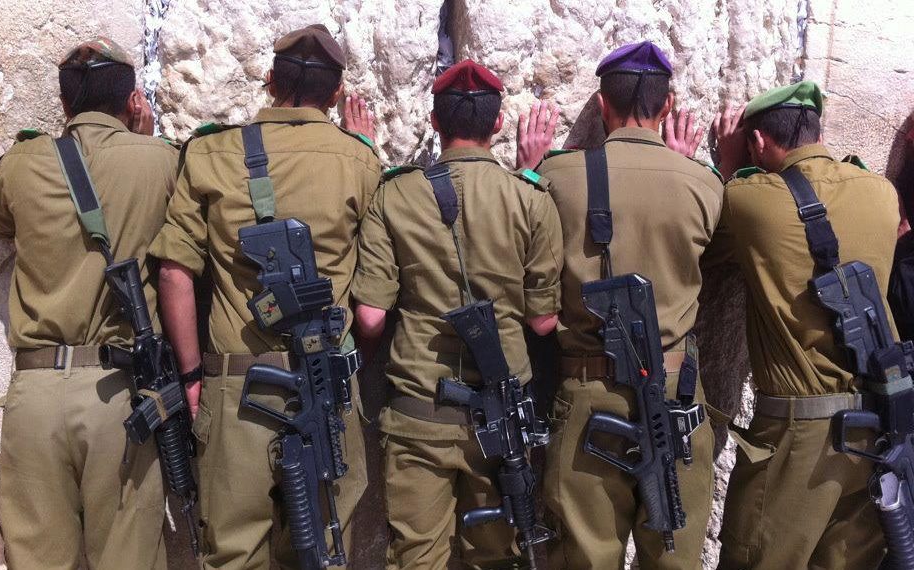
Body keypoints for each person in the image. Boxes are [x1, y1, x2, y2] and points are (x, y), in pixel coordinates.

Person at [149, 24, 379, 569]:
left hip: (237, 385)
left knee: (233, 553)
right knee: (325, 548)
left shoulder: (208, 153)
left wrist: (190, 379)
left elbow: (174, 274)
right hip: (327, 384)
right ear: (338, 94)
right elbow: (373, 294)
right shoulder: (360, 162)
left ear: (270, 80)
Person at [516, 41, 722, 570]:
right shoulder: (705, 185)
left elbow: (521, 230)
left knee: (583, 556)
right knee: (672, 554)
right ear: (668, 105)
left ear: (603, 105)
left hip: (590, 392)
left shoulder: (558, 178)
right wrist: (680, 171)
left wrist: (530, 169)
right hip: (676, 396)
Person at [353, 59, 563, 569]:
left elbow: (371, 320)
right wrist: (529, 170)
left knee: (415, 559)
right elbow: (542, 323)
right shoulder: (532, 199)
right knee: (495, 558)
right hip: (502, 419)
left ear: (433, 119)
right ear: (497, 124)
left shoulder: (394, 194)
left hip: (419, 415)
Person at [0, 37, 176, 569]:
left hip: (36, 394)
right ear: (132, 100)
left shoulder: (20, 164)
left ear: (65, 104)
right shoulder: (161, 162)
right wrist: (146, 139)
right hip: (118, 395)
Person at [709, 81, 899, 570]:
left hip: (800, 435)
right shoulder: (882, 192)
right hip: (878, 426)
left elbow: (716, 240)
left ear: (757, 143)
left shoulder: (748, 198)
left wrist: (731, 166)